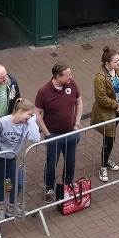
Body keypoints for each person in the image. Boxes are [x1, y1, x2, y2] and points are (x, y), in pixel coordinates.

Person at [35, 62, 83, 204]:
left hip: (71, 132)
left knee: (70, 161)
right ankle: (49, 188)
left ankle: (68, 184)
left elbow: (79, 103)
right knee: (51, 164)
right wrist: (47, 133)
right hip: (54, 135)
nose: (71, 77)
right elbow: (37, 113)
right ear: (57, 77)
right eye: (67, 75)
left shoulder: (72, 84)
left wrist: (77, 123)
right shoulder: (43, 91)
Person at [0, 98, 39, 221]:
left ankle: (11, 206)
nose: (29, 117)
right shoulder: (2, 122)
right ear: (20, 111)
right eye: (28, 114)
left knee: (18, 183)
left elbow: (36, 138)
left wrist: (32, 122)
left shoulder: (26, 125)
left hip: (12, 158)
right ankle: (2, 206)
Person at [90, 46, 119, 183]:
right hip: (106, 113)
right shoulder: (100, 78)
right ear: (107, 63)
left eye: (118, 61)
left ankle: (107, 160)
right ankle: (103, 166)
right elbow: (101, 98)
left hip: (117, 111)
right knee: (108, 139)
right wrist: (117, 105)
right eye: (116, 62)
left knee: (111, 139)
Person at [0, 63, 21, 193]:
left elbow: (17, 99)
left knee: (4, 151)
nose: (5, 78)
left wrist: (16, 116)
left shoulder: (11, 81)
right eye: (1, 77)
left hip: (5, 124)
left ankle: (5, 177)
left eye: (5, 75)